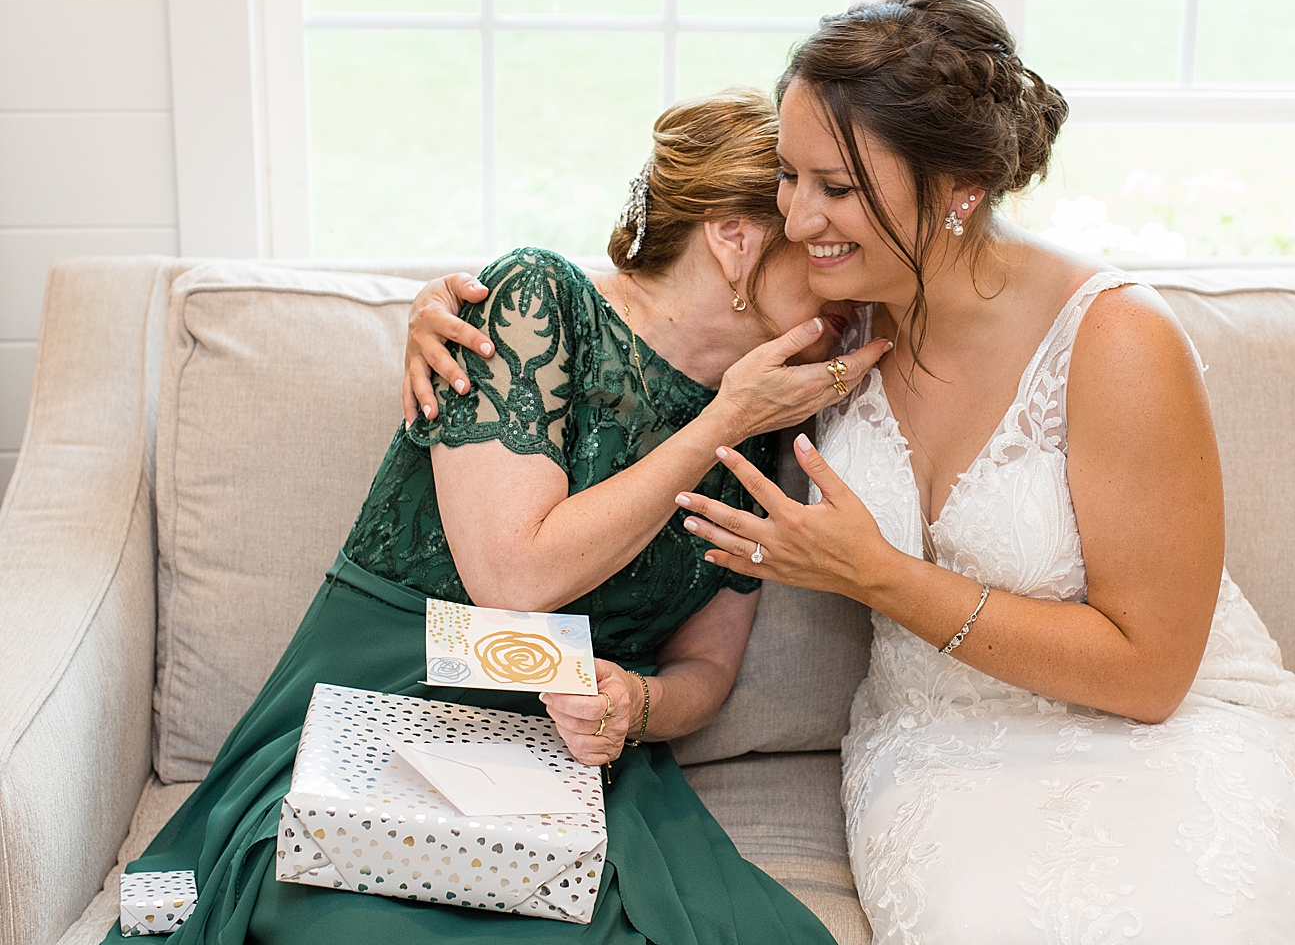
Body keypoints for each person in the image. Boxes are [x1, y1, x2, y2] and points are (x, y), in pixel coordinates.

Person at [673, 0, 1295, 945]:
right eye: (788, 176)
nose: (799, 219)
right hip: (944, 747)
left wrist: (880, 576)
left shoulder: (1115, 340)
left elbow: (1151, 677)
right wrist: (448, 315)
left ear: (960, 188)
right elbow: (633, 303)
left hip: (1165, 736)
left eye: (836, 188)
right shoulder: (833, 305)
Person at [104, 87, 887, 945]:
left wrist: (638, 701)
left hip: (566, 759)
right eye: (820, 252)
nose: (849, 286)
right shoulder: (537, 302)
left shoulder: (771, 426)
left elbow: (707, 665)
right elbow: (515, 578)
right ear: (735, 239)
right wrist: (720, 423)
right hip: (394, 705)